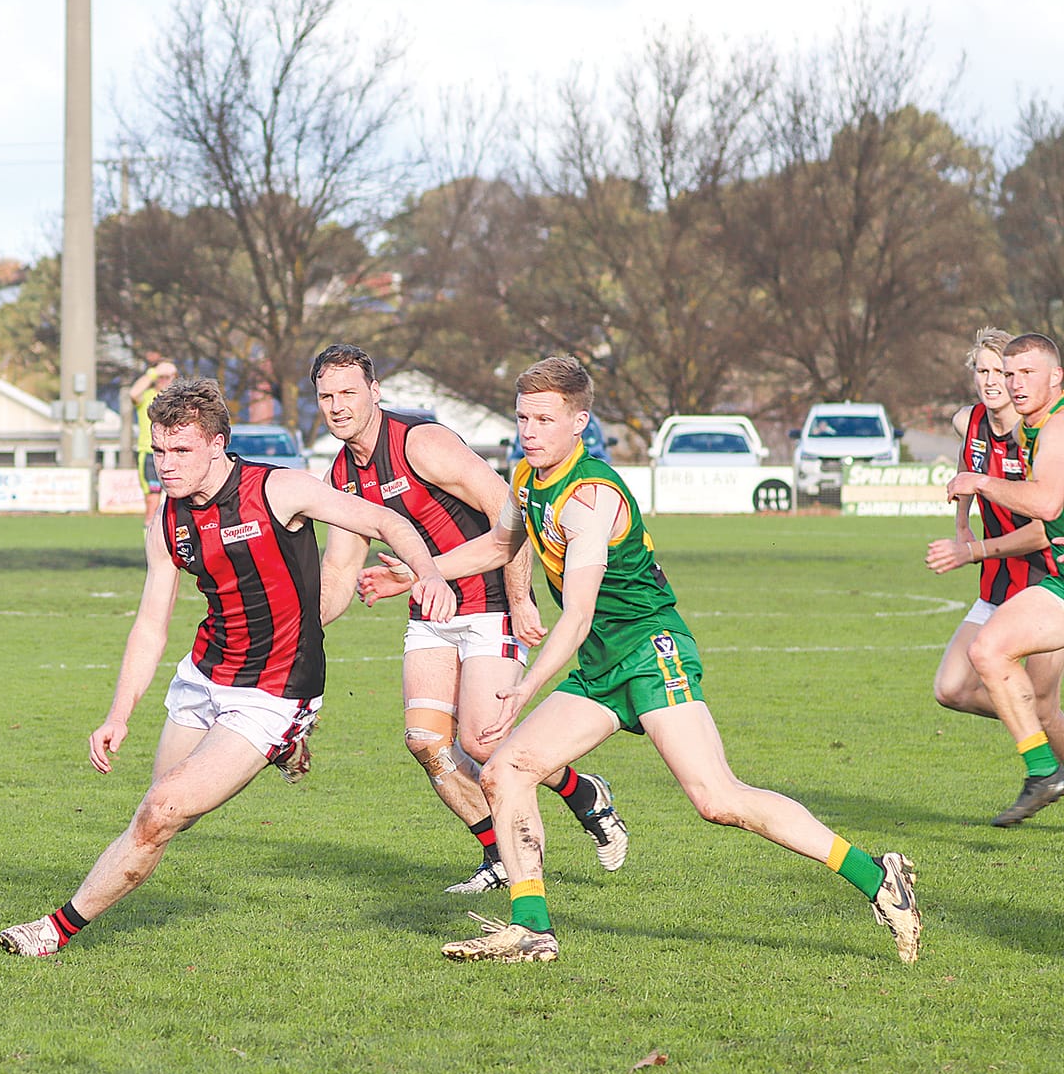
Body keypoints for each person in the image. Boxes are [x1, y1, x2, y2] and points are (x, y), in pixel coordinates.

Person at [362, 356, 919, 964]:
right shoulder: (526, 478)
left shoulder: (589, 499)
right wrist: (419, 573)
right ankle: (531, 930)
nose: (529, 430)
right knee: (507, 770)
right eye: (523, 417)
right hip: (603, 662)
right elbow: (500, 544)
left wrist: (525, 692)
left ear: (580, 422)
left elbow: (574, 618)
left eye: (545, 419)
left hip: (652, 653)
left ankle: (876, 875)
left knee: (717, 799)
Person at [0, 377, 460, 956]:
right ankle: (280, 753)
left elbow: (387, 523)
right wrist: (118, 714)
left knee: (160, 812)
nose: (165, 466)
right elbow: (150, 623)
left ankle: (53, 930)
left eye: (180, 451)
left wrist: (432, 574)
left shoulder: (279, 490)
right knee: (165, 810)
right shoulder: (165, 520)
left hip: (275, 690)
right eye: (158, 452)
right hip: (205, 673)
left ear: (217, 444)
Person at [310, 343, 630, 895]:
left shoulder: (420, 443)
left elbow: (507, 507)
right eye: (326, 396)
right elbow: (340, 570)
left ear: (374, 392)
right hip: (429, 611)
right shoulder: (341, 474)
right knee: (425, 740)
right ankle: (498, 856)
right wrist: (294, 631)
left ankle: (582, 792)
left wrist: (522, 597)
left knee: (484, 743)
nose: (337, 406)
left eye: (348, 393)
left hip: (487, 602)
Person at [925, 330, 1064, 780]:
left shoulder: (1040, 433)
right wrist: (961, 519)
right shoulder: (969, 421)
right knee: (951, 688)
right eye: (983, 371)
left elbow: (1046, 522)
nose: (992, 381)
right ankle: (1042, 754)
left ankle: (1046, 768)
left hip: (1043, 578)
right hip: (997, 583)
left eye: (1001, 373)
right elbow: (966, 468)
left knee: (1041, 708)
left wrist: (973, 549)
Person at [129, 357, 179, 522]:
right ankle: (150, 545)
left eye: (168, 376)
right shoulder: (147, 397)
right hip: (150, 454)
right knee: (153, 502)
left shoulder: (179, 400)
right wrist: (154, 372)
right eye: (161, 377)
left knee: (180, 502)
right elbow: (133, 393)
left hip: (175, 454)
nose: (165, 380)